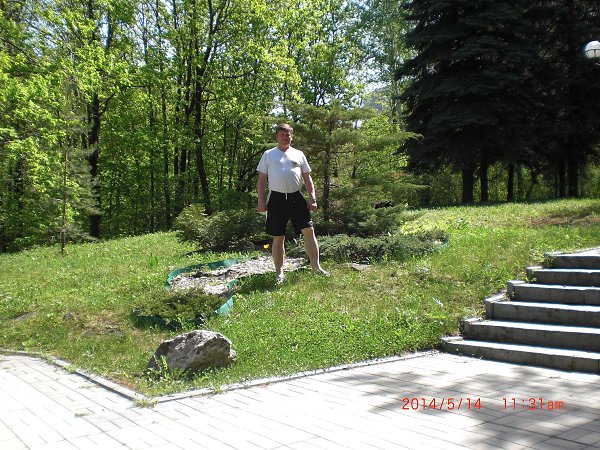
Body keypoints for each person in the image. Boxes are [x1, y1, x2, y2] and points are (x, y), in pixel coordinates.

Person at [257, 123, 329, 284]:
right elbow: (261, 180)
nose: (285, 137)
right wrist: (261, 200)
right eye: (282, 135)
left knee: (309, 231)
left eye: (288, 135)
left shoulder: (299, 154)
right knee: (278, 237)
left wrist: (312, 197)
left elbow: (307, 178)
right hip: (276, 199)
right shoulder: (268, 155)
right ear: (277, 136)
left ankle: (316, 268)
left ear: (292, 136)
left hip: (297, 198)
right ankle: (279, 274)